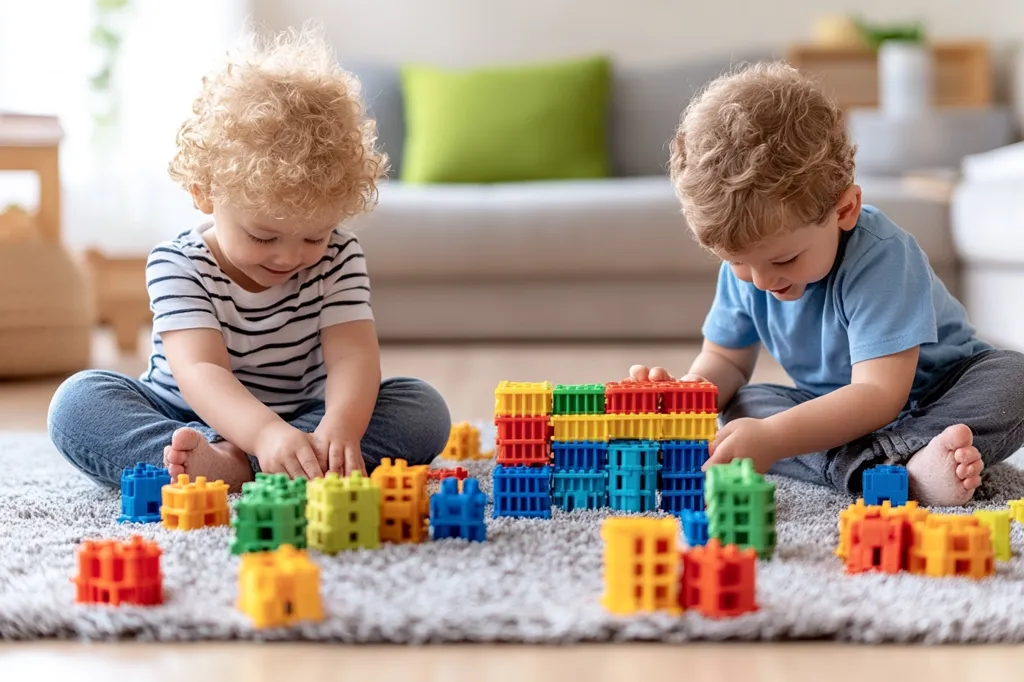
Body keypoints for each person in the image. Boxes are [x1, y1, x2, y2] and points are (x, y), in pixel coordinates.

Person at [47, 25, 451, 490]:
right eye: (263, 237)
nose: (289, 256)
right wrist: (262, 435)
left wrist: (341, 426)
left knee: (422, 408)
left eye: (314, 236)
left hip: (304, 418)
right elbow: (202, 371)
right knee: (77, 403)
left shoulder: (338, 256)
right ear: (205, 193)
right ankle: (236, 462)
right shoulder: (178, 264)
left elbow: (353, 356)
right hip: (186, 415)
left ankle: (249, 468)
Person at [630, 61, 1024, 506]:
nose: (761, 281)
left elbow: (878, 395)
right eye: (738, 262)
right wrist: (687, 396)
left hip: (933, 395)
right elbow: (726, 360)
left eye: (783, 259)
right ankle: (902, 473)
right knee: (744, 407)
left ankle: (885, 463)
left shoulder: (881, 256)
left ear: (844, 210)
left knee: (1015, 378)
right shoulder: (753, 268)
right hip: (830, 407)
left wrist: (775, 439)